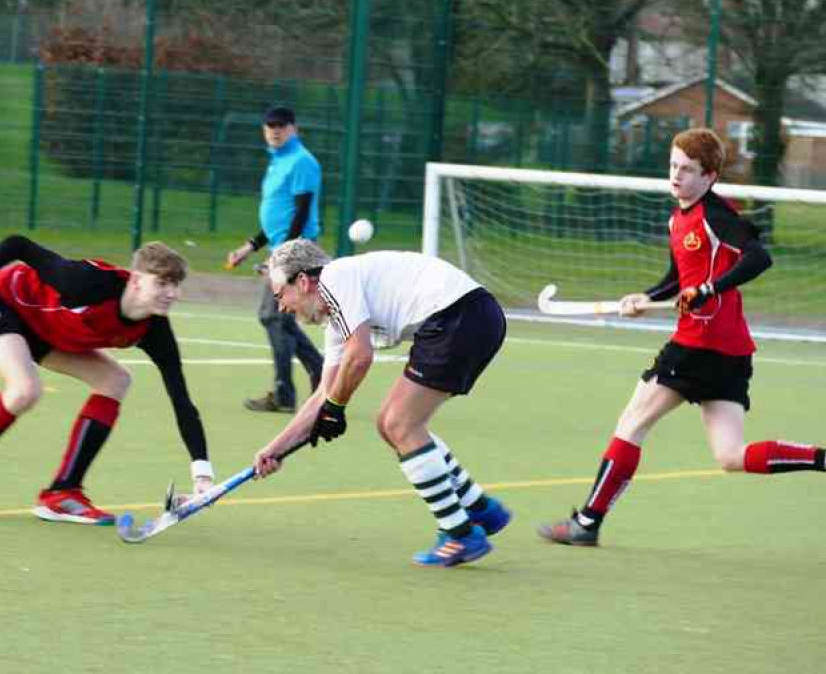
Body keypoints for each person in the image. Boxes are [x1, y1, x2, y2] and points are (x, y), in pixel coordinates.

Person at [538, 128, 824, 547]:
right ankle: (821, 458)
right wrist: (646, 297)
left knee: (631, 424)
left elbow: (759, 257)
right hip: (730, 351)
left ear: (709, 177)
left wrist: (709, 290)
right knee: (730, 455)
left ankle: (587, 522)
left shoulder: (714, 214)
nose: (677, 176)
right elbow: (678, 279)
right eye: (673, 166)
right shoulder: (679, 217)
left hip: (697, 346)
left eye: (688, 170)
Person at [250, 239, 512, 568]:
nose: (281, 307)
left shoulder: (334, 278)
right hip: (471, 318)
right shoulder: (338, 317)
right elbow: (324, 394)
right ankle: (481, 509)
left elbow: (360, 358)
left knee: (399, 423)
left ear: (302, 282)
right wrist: (275, 448)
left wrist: (335, 408)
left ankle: (459, 533)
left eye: (280, 295)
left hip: (458, 316)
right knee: (389, 423)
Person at [0, 234, 214, 525]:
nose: (172, 293)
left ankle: (62, 493)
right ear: (136, 281)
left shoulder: (155, 329)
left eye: (175, 284)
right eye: (162, 283)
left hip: (48, 330)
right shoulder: (85, 281)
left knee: (115, 380)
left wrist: (202, 474)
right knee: (25, 390)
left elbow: (181, 401)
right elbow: (18, 245)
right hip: (1, 303)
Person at [226, 105, 323, 414]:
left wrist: (284, 255)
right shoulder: (277, 162)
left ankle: (286, 393)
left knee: (273, 316)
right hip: (283, 248)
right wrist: (250, 247)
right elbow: (277, 216)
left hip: (297, 249)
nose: (275, 130)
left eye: (281, 125)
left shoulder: (302, 161)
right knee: (277, 318)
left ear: (294, 128)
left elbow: (301, 212)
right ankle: (318, 373)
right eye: (270, 126)